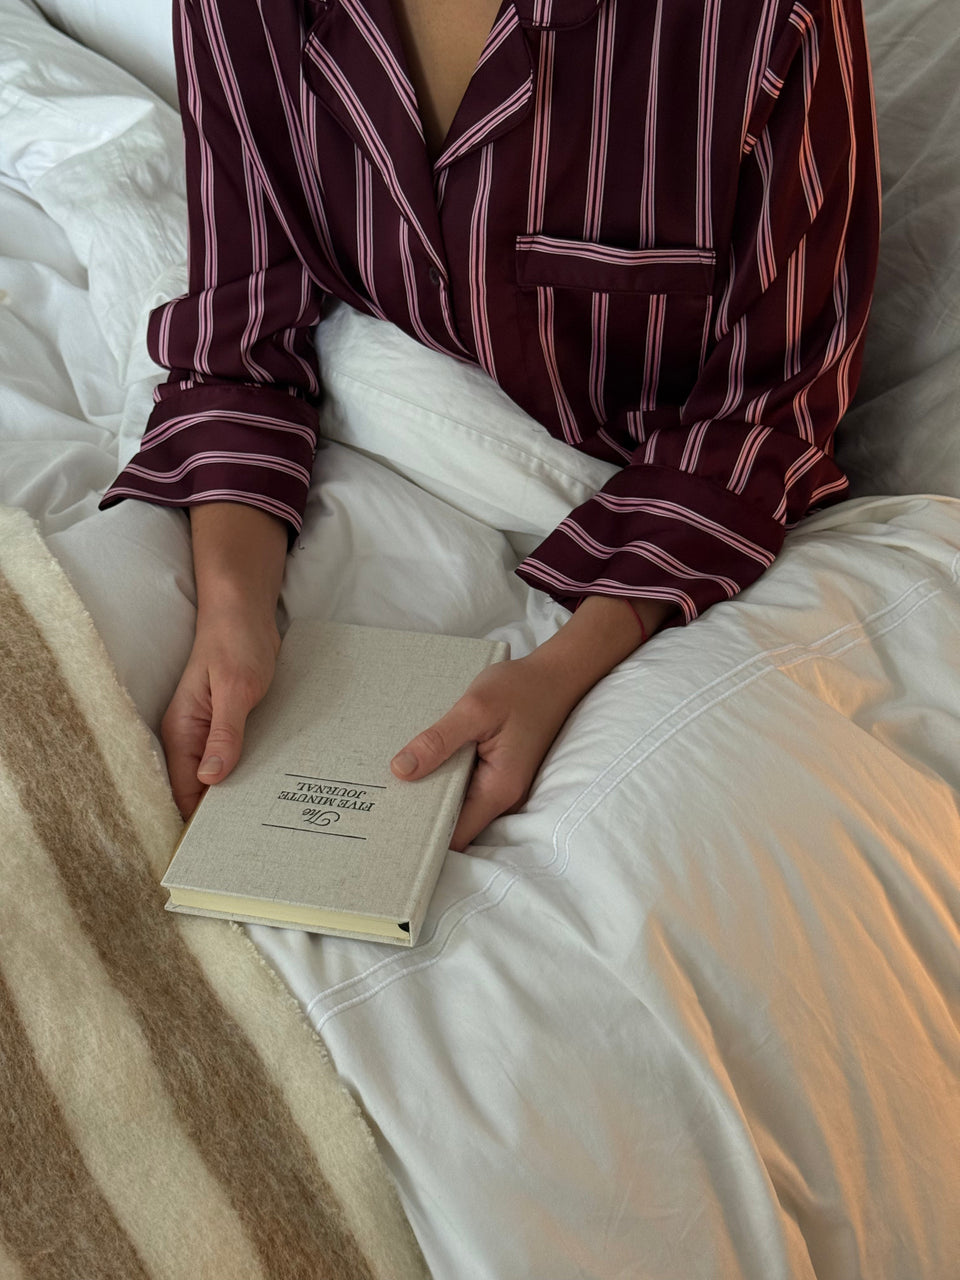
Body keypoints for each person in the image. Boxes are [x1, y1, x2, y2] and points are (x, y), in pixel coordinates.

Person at [99, 0, 880, 849]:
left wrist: (557, 674)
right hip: (341, 448)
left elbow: (764, 410)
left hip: (650, 550)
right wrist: (231, 615)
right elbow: (241, 334)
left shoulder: (758, 21)